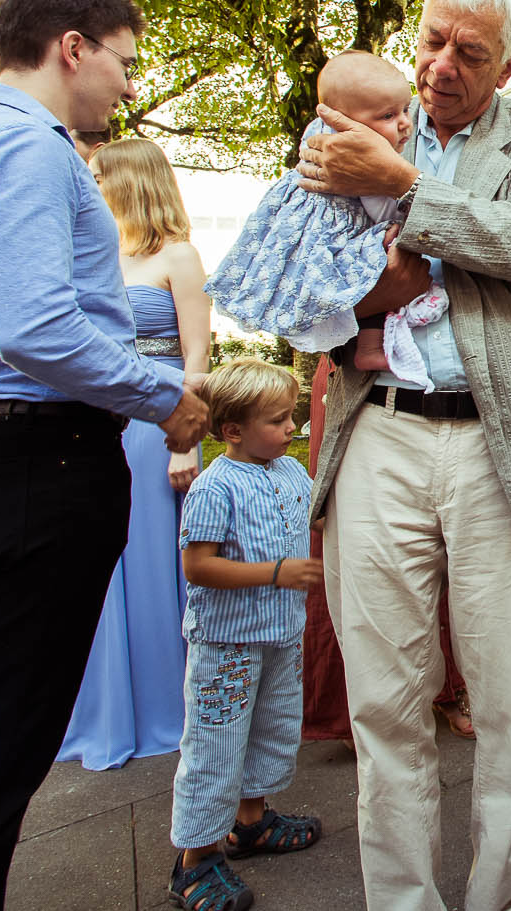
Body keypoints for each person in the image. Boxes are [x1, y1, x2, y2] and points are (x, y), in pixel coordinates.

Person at [0, 0, 210, 910]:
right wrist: (162, 398)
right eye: (123, 61)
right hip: (37, 462)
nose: (126, 85)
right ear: (73, 47)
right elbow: (34, 327)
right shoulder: (31, 148)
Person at [298, 0, 511, 911]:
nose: (439, 66)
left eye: (469, 53)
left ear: (507, 66)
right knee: (384, 702)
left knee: (508, 700)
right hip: (378, 433)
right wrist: (346, 306)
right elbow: (300, 255)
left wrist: (407, 189)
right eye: (431, 40)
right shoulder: (360, 115)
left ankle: (506, 900)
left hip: (498, 443)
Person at [58, 137, 212, 770]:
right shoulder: (89, 259)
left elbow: (199, 357)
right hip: (95, 422)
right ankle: (102, 707)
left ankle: (169, 705)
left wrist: (186, 442)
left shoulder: (178, 256)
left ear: (129, 183)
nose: (88, 188)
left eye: (97, 178)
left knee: (153, 566)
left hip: (157, 425)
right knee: (101, 566)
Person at [168, 358, 324, 911]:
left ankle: (251, 822)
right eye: (278, 421)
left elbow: (313, 513)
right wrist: (277, 572)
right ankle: (195, 860)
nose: (291, 429)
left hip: (281, 634)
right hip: (228, 644)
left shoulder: (287, 471)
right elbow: (198, 567)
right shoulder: (214, 487)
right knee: (215, 744)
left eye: (291, 419)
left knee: (272, 730)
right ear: (232, 430)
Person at [207, 51, 445, 384]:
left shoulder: (318, 135)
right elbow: (380, 204)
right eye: (388, 115)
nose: (405, 122)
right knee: (384, 248)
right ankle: (371, 344)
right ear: (342, 120)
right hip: (332, 237)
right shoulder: (359, 153)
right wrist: (407, 215)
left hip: (303, 238)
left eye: (405, 109)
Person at [300, 357, 475, 745]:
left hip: (438, 372)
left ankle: (450, 688)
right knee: (358, 559)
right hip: (349, 368)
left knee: (440, 549)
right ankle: (350, 707)